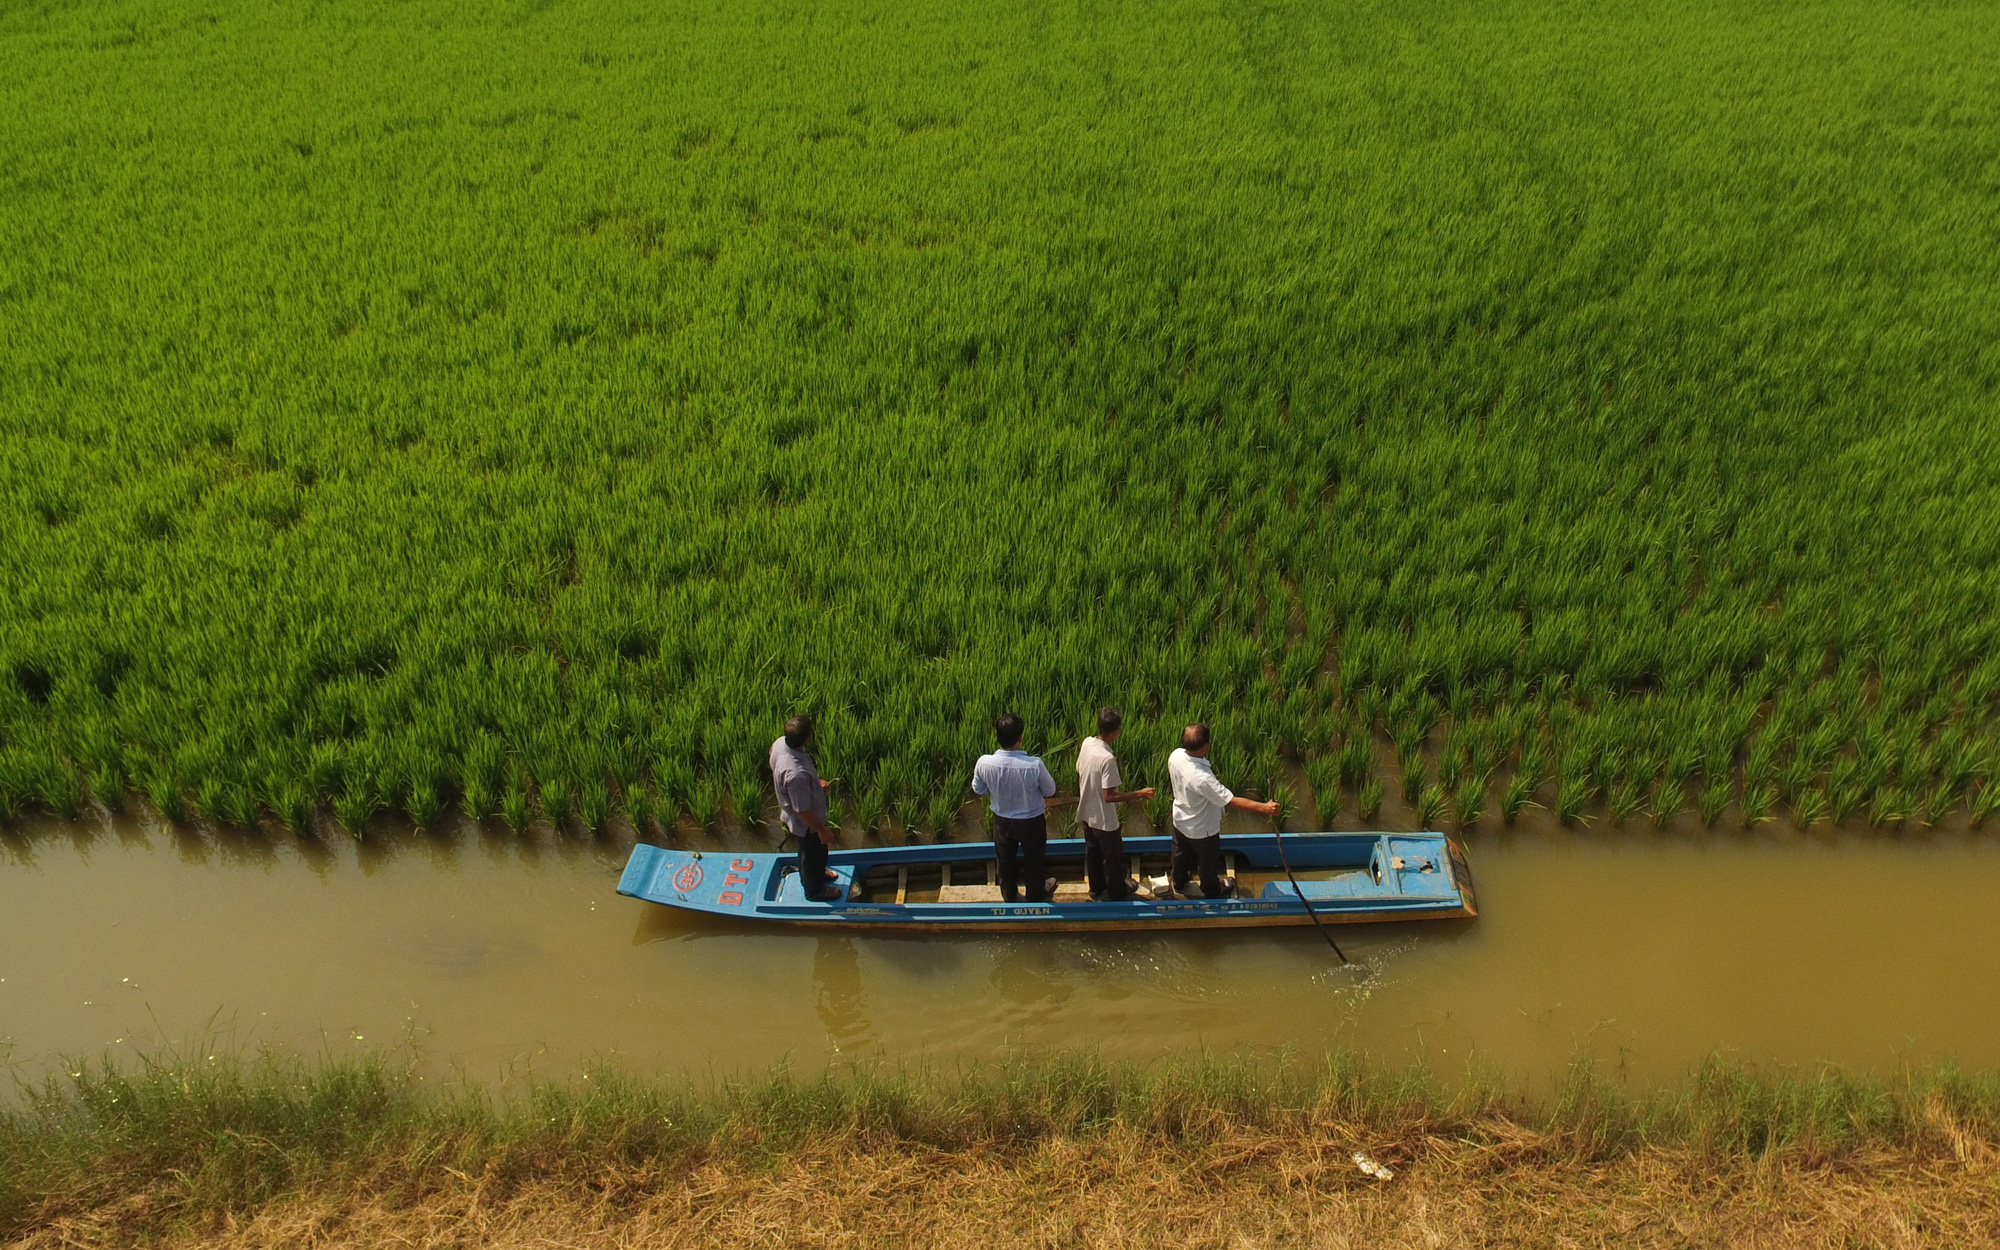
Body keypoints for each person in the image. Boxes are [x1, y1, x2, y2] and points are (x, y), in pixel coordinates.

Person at [1167, 723, 1279, 899]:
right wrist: (1264, 807)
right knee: (1207, 862)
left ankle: (1178, 883)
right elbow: (1231, 801)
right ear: (1205, 747)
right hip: (1202, 829)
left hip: (1180, 820)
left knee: (1180, 854)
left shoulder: (1176, 755)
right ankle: (1212, 890)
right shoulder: (1202, 778)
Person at [971, 713, 1059, 904]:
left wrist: (996, 789)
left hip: (1002, 821)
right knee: (1034, 859)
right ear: (1020, 737)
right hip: (1032, 821)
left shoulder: (984, 762)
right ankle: (1035, 893)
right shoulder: (1034, 765)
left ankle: (1009, 894)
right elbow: (1050, 790)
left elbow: (978, 788)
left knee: (1005, 859)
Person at [1075, 707, 1155, 901]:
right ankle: (1117, 892)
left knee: (1092, 854)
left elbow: (1079, 768)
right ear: (1116, 732)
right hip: (1104, 820)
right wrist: (1140, 794)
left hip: (1086, 813)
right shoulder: (1107, 759)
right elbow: (1109, 796)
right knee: (1113, 858)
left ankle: (1096, 889)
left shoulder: (1087, 743)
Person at [770, 714, 841, 903]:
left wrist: (815, 785)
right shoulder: (796, 774)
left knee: (813, 854)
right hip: (807, 824)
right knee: (811, 854)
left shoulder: (779, 744)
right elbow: (802, 811)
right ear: (807, 738)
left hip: (800, 813)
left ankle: (817, 873)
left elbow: (777, 767)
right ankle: (814, 891)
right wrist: (822, 830)